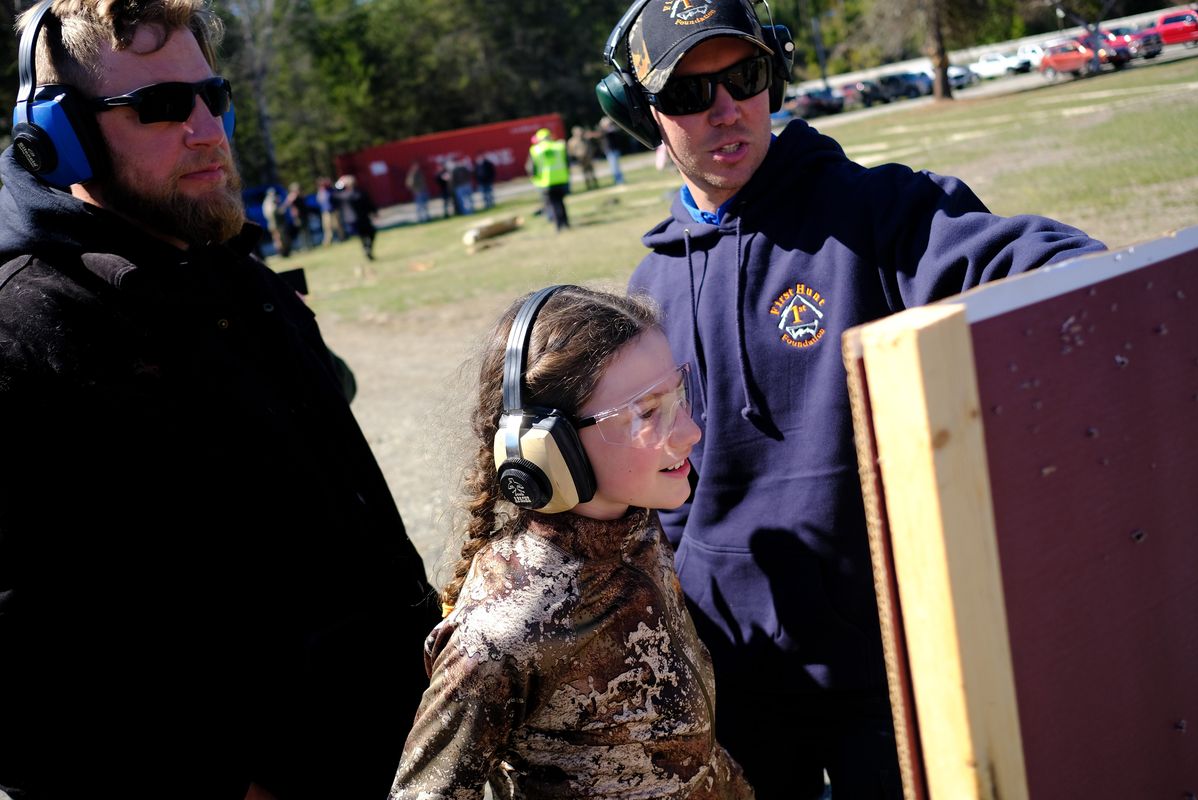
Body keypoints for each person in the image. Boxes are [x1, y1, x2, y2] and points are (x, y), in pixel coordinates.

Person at [600, 1, 1108, 797]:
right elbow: (653, 488)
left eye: (745, 77)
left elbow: (1030, 262)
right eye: (690, 94)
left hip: (892, 666)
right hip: (738, 671)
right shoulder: (649, 290)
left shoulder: (880, 213)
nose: (726, 109)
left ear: (777, 73)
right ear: (643, 115)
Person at [0, 1, 441, 797]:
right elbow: (24, 672)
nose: (206, 128)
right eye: (163, 107)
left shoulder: (236, 276)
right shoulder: (23, 332)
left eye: (214, 96)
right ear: (58, 137)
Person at [390, 285, 753, 800]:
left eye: (679, 396)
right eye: (647, 413)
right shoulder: (502, 632)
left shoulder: (635, 521)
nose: (691, 432)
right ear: (543, 447)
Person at [526, 127, 570, 232]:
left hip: (545, 182)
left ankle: (558, 226)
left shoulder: (535, 150)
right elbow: (567, 162)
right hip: (561, 180)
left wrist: (534, 178)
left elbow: (531, 167)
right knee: (561, 203)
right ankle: (566, 223)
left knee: (553, 204)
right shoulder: (559, 146)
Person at [335, 173, 378, 261]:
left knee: (363, 235)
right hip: (362, 218)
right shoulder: (359, 193)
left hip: (352, 220)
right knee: (370, 233)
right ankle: (367, 248)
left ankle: (366, 248)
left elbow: (333, 195)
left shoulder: (342, 195)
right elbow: (369, 204)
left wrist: (339, 185)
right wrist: (374, 212)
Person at [568, 124, 599, 190]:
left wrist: (590, 156)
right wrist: (576, 157)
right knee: (585, 174)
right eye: (578, 132)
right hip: (580, 160)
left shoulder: (586, 140)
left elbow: (591, 148)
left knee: (592, 172)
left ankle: (596, 185)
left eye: (580, 131)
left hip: (588, 158)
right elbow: (571, 151)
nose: (580, 133)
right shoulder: (572, 142)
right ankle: (588, 186)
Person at [598, 116, 625, 185]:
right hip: (609, 151)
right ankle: (618, 180)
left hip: (613, 150)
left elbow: (613, 130)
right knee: (614, 166)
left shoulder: (611, 129)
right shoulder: (604, 131)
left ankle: (619, 180)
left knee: (615, 166)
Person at [315, 176, 342, 243]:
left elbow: (336, 198)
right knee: (327, 227)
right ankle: (328, 241)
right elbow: (319, 201)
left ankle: (341, 238)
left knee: (337, 226)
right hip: (325, 211)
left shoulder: (331, 190)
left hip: (334, 210)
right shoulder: (320, 191)